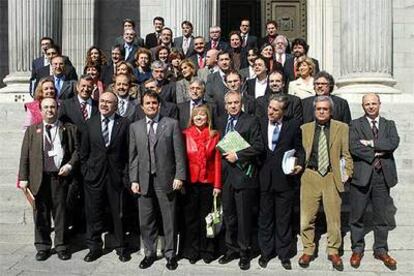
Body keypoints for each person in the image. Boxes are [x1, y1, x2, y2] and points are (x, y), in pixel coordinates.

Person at [129, 90, 186, 271]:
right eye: (148, 103)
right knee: (146, 220)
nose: (151, 106)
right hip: (144, 180)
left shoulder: (171, 124)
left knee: (168, 219)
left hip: (166, 179)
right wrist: (134, 179)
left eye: (154, 103)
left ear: (159, 105)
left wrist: (179, 176)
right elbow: (133, 157)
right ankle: (149, 253)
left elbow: (179, 154)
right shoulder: (135, 127)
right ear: (142, 106)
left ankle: (170, 254)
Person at [19, 97, 79, 261]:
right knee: (40, 213)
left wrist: (69, 166)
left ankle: (61, 245)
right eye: (45, 107)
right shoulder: (32, 130)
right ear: (40, 110)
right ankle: (43, 246)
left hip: (59, 178)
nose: (49, 110)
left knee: (61, 214)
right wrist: (23, 178)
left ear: (57, 108)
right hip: (39, 177)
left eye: (52, 107)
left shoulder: (68, 128)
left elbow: (77, 152)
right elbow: (25, 156)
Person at [298, 96, 353, 271]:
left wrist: (347, 173)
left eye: (325, 109)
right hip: (310, 175)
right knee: (306, 217)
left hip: (331, 176)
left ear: (331, 111)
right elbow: (299, 152)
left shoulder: (341, 128)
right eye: (318, 109)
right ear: (314, 110)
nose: (321, 111)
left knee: (334, 218)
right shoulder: (304, 129)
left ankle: (333, 250)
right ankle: (308, 249)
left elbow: (347, 154)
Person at [348, 93, 400, 270]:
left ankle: (381, 249)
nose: (370, 106)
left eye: (373, 103)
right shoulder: (355, 124)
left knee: (381, 216)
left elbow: (393, 143)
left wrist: (370, 143)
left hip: (382, 176)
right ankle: (357, 249)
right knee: (357, 216)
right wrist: (376, 152)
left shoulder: (389, 124)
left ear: (379, 104)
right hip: (361, 176)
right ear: (363, 106)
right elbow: (354, 146)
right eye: (367, 104)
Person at [80, 92, 130, 263]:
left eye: (109, 102)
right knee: (93, 213)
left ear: (115, 106)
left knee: (118, 214)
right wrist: (86, 171)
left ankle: (121, 247)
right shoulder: (90, 123)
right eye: (102, 101)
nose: (104, 104)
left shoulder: (124, 123)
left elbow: (128, 152)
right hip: (94, 177)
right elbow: (83, 152)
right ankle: (94, 247)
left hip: (116, 178)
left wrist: (125, 176)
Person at [217, 91, 264, 270]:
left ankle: (245, 252)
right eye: (230, 103)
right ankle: (231, 249)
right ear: (225, 105)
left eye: (236, 102)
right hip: (225, 177)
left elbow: (259, 146)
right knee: (229, 215)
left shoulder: (251, 121)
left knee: (243, 217)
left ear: (241, 103)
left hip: (244, 176)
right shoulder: (221, 121)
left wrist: (238, 155)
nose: (233, 106)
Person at [257, 95, 305, 270]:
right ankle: (266, 253)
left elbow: (299, 149)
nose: (271, 111)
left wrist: (299, 163)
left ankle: (284, 254)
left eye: (275, 109)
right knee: (265, 218)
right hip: (264, 180)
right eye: (270, 107)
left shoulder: (293, 125)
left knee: (284, 219)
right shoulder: (260, 122)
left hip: (285, 179)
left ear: (284, 111)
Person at [181, 105, 222, 264]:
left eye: (202, 115)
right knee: (191, 219)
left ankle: (207, 250)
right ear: (192, 118)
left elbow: (218, 161)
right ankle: (192, 250)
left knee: (208, 219)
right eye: (196, 115)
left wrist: (217, 185)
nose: (199, 117)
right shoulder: (185, 134)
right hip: (190, 183)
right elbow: (181, 160)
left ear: (208, 118)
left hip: (208, 183)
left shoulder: (214, 135)